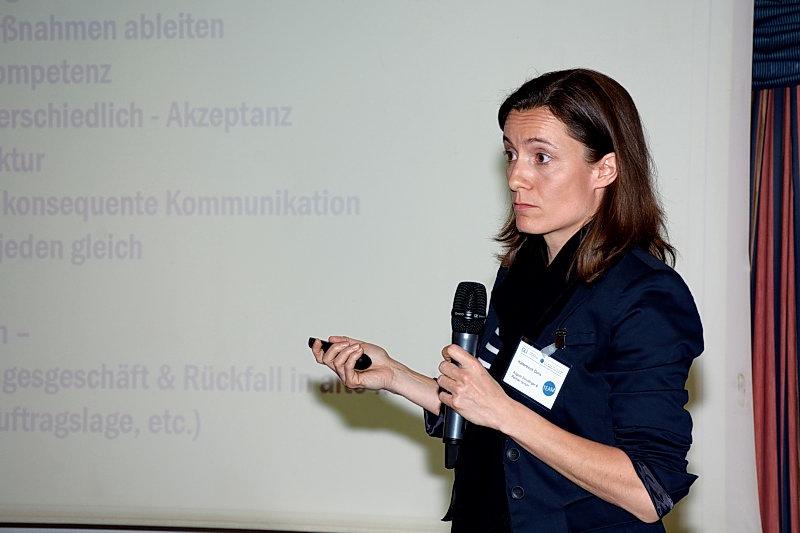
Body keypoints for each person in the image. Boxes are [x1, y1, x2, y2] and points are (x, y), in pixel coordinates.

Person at [310, 68, 703, 533]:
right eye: (511, 155)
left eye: (541, 157)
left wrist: (505, 414)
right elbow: (492, 410)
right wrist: (394, 375)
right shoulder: (519, 274)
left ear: (605, 169)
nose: (516, 177)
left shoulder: (646, 296)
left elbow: (648, 490)